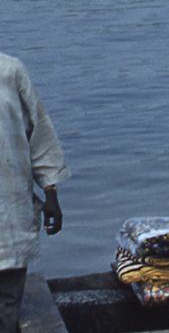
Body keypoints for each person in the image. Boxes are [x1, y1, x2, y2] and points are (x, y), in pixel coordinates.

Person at [0, 53, 68, 333]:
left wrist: (50, 190)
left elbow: (39, 134)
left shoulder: (10, 71)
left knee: (7, 304)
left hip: (8, 213)